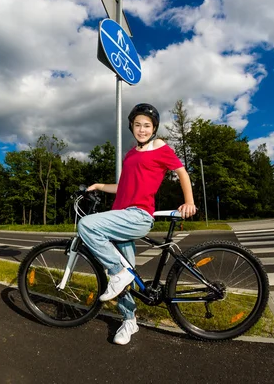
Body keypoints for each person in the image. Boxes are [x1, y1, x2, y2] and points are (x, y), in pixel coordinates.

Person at [77, 103, 196, 345]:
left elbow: (182, 172)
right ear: (131, 126)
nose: (142, 129)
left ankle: (120, 274)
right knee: (122, 272)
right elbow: (123, 187)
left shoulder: (160, 146)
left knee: (87, 226)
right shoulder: (131, 154)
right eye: (138, 125)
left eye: (147, 125)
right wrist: (100, 186)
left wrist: (189, 202)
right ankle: (129, 320)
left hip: (138, 215)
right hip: (120, 215)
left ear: (154, 128)